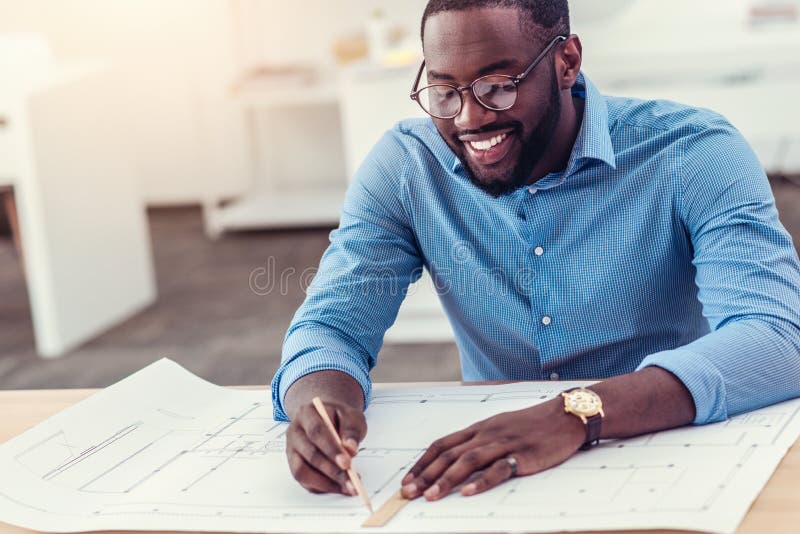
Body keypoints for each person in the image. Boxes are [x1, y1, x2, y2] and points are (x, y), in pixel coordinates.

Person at [271, 0, 800, 502]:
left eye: (498, 87)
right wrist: (322, 403)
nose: (468, 120)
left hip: (660, 452)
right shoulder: (408, 168)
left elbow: (777, 337)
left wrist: (575, 414)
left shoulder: (694, 152)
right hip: (488, 474)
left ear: (567, 61)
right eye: (444, 91)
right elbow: (331, 326)